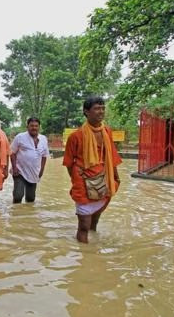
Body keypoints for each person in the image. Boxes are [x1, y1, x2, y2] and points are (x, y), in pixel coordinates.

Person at [63, 96, 122, 243]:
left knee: (94, 221)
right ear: (86, 112)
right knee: (83, 226)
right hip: (83, 182)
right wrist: (78, 179)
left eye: (103, 108)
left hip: (104, 180)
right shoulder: (75, 136)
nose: (101, 112)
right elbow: (69, 163)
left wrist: (115, 178)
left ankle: (94, 250)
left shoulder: (107, 131)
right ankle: (85, 257)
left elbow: (112, 155)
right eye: (96, 108)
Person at [10, 117, 49, 203]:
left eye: (36, 126)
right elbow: (12, 153)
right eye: (31, 126)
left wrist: (42, 170)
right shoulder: (20, 137)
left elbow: (44, 156)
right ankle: (16, 214)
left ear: (39, 127)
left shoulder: (43, 139)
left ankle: (29, 215)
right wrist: (14, 167)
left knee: (31, 198)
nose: (34, 128)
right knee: (18, 196)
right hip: (20, 171)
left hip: (34, 172)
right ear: (27, 127)